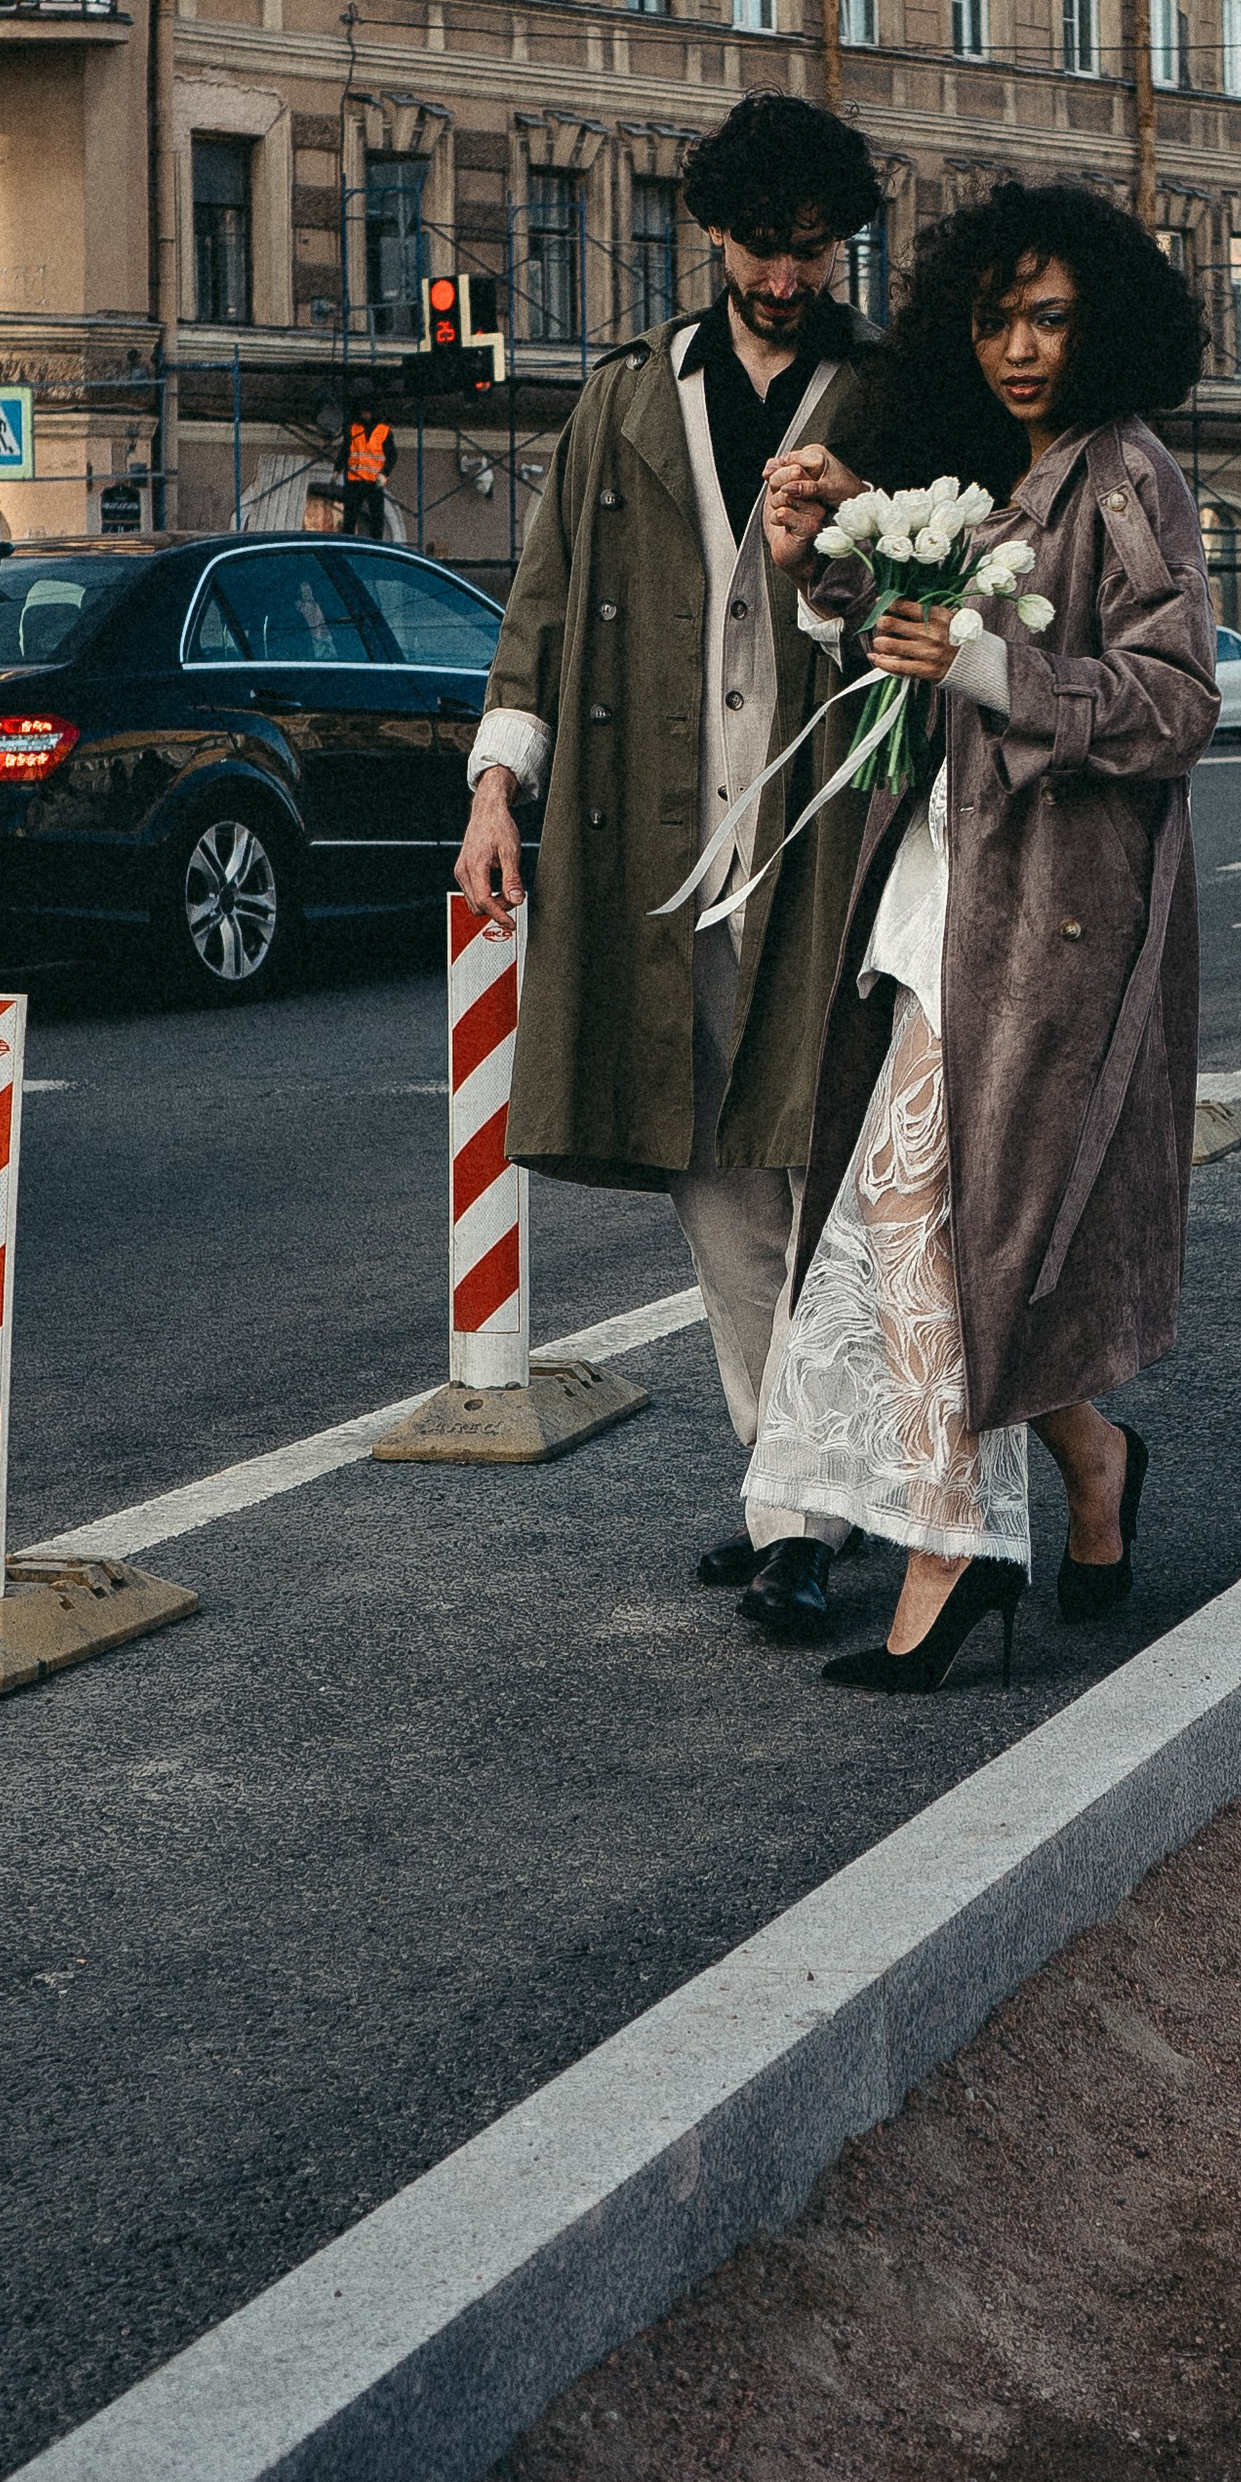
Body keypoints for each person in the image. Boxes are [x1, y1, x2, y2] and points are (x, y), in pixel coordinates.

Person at [748, 180, 1216, 1695]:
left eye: (1053, 318)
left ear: (1109, 326)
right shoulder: (981, 470)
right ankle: (1089, 1466)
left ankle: (950, 1553)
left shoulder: (1128, 471)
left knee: (941, 1223)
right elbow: (902, 635)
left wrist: (1001, 669)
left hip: (1055, 914)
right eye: (995, 318)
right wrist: (822, 552)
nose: (1022, 349)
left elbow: (1180, 702)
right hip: (946, 886)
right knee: (923, 1223)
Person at [454, 96, 883, 1636]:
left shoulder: (886, 395)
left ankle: (818, 1501)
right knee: (715, 1182)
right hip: (658, 838)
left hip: (832, 838)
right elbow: (543, 605)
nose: (787, 278)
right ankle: (791, 1495)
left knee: (823, 1171)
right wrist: (501, 787)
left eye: (815, 251)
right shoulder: (629, 396)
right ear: (711, 234)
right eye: (764, 249)